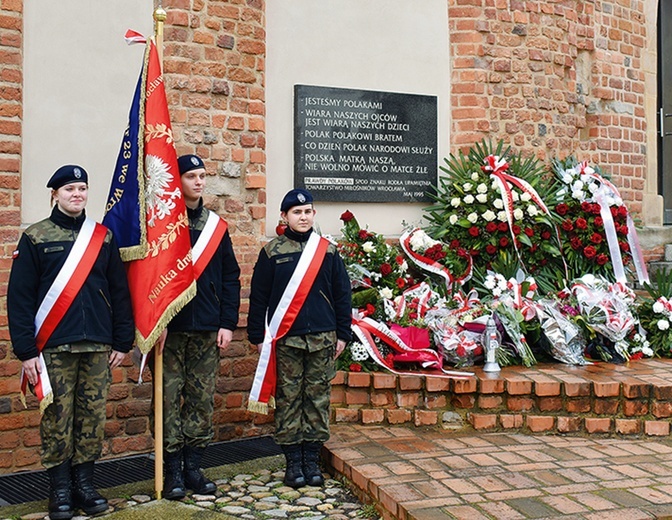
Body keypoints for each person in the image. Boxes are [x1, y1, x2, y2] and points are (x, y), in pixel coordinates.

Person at [7, 165, 135, 520]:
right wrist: (26, 350)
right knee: (57, 418)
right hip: (54, 346)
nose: (77, 194)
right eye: (69, 189)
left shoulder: (103, 237)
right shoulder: (36, 237)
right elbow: (19, 298)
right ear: (55, 194)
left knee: (91, 418)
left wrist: (122, 341)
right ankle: (60, 489)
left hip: (97, 344)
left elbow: (119, 292)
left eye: (82, 188)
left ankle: (85, 485)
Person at [247, 188, 352, 488]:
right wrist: (257, 335)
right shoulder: (272, 253)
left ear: (313, 215)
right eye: (297, 212)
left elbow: (342, 295)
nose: (303, 217)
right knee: (289, 400)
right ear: (285, 216)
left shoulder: (328, 252)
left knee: (317, 400)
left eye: (307, 212)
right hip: (287, 341)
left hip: (322, 339)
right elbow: (259, 298)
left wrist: (343, 333)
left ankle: (312, 461)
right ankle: (293, 463)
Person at [159, 154, 241, 500]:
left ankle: (193, 467)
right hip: (170, 330)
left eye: (202, 176)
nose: (198, 182)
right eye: (191, 176)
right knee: (166, 400)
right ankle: (172, 469)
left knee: (201, 401)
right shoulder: (161, 224)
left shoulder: (215, 227)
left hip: (207, 327)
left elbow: (230, 278)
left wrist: (227, 323)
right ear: (177, 180)